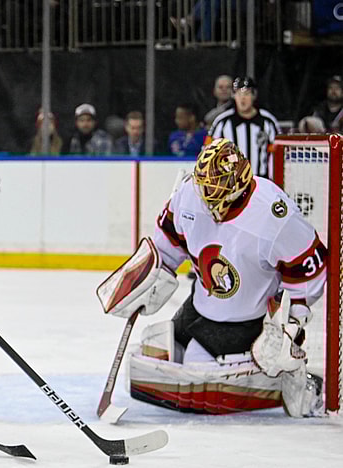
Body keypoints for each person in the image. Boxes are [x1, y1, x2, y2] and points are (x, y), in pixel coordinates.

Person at [98, 138, 326, 418]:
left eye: (215, 190)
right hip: (200, 303)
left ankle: (295, 382)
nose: (207, 196)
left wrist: (289, 325)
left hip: (247, 321)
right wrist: (149, 277)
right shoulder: (189, 193)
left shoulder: (273, 214)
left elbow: (308, 270)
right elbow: (169, 241)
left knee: (197, 375)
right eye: (204, 186)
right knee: (158, 352)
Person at [208, 76, 280, 179]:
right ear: (233, 95)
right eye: (238, 93)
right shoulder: (222, 122)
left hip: (262, 183)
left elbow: (277, 154)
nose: (242, 98)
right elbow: (209, 152)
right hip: (230, 184)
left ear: (254, 95)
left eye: (246, 93)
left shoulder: (268, 121)